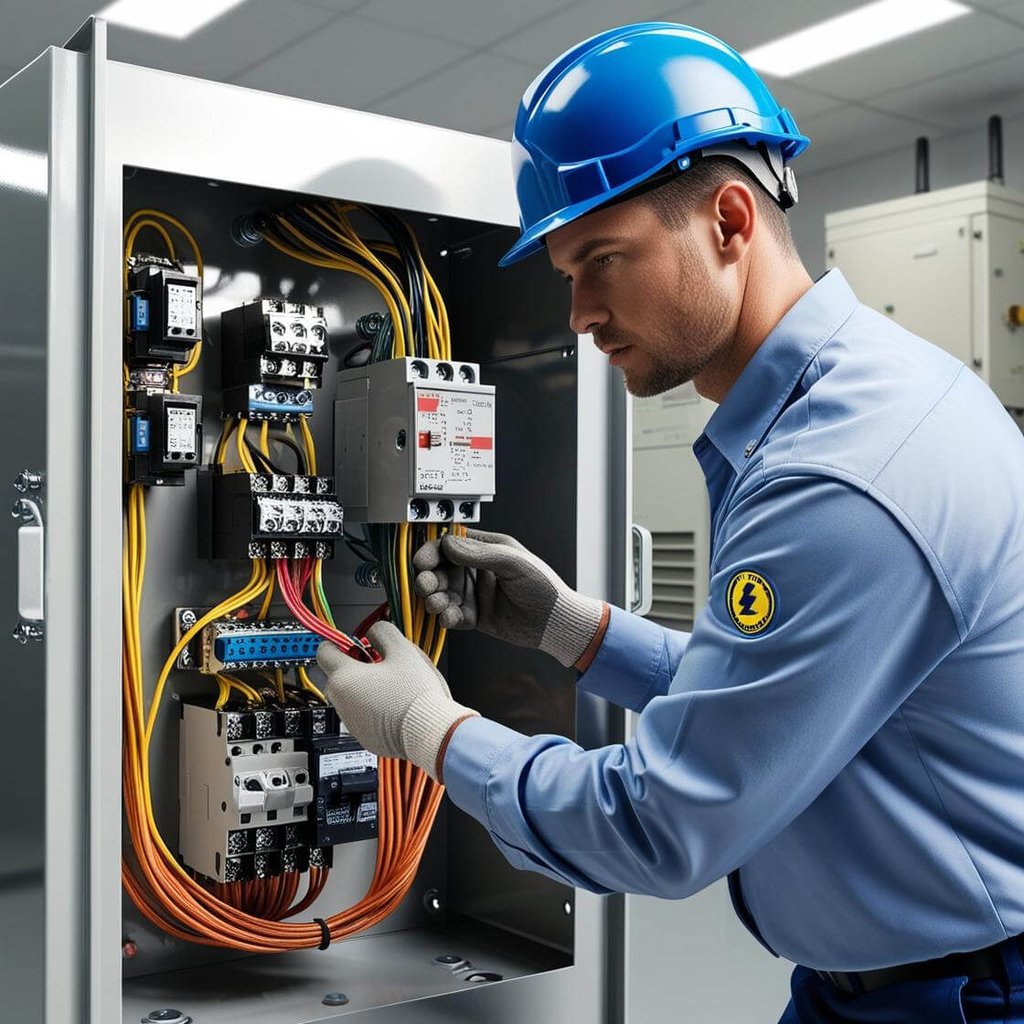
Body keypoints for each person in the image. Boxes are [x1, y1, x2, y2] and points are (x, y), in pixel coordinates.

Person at [317, 22, 1024, 1023]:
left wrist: (427, 727)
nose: (578, 314)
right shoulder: (831, 407)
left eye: (604, 258)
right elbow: (776, 697)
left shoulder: (843, 471)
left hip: (961, 999)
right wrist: (572, 627)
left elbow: (658, 823)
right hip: (861, 986)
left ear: (729, 220)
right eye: (567, 272)